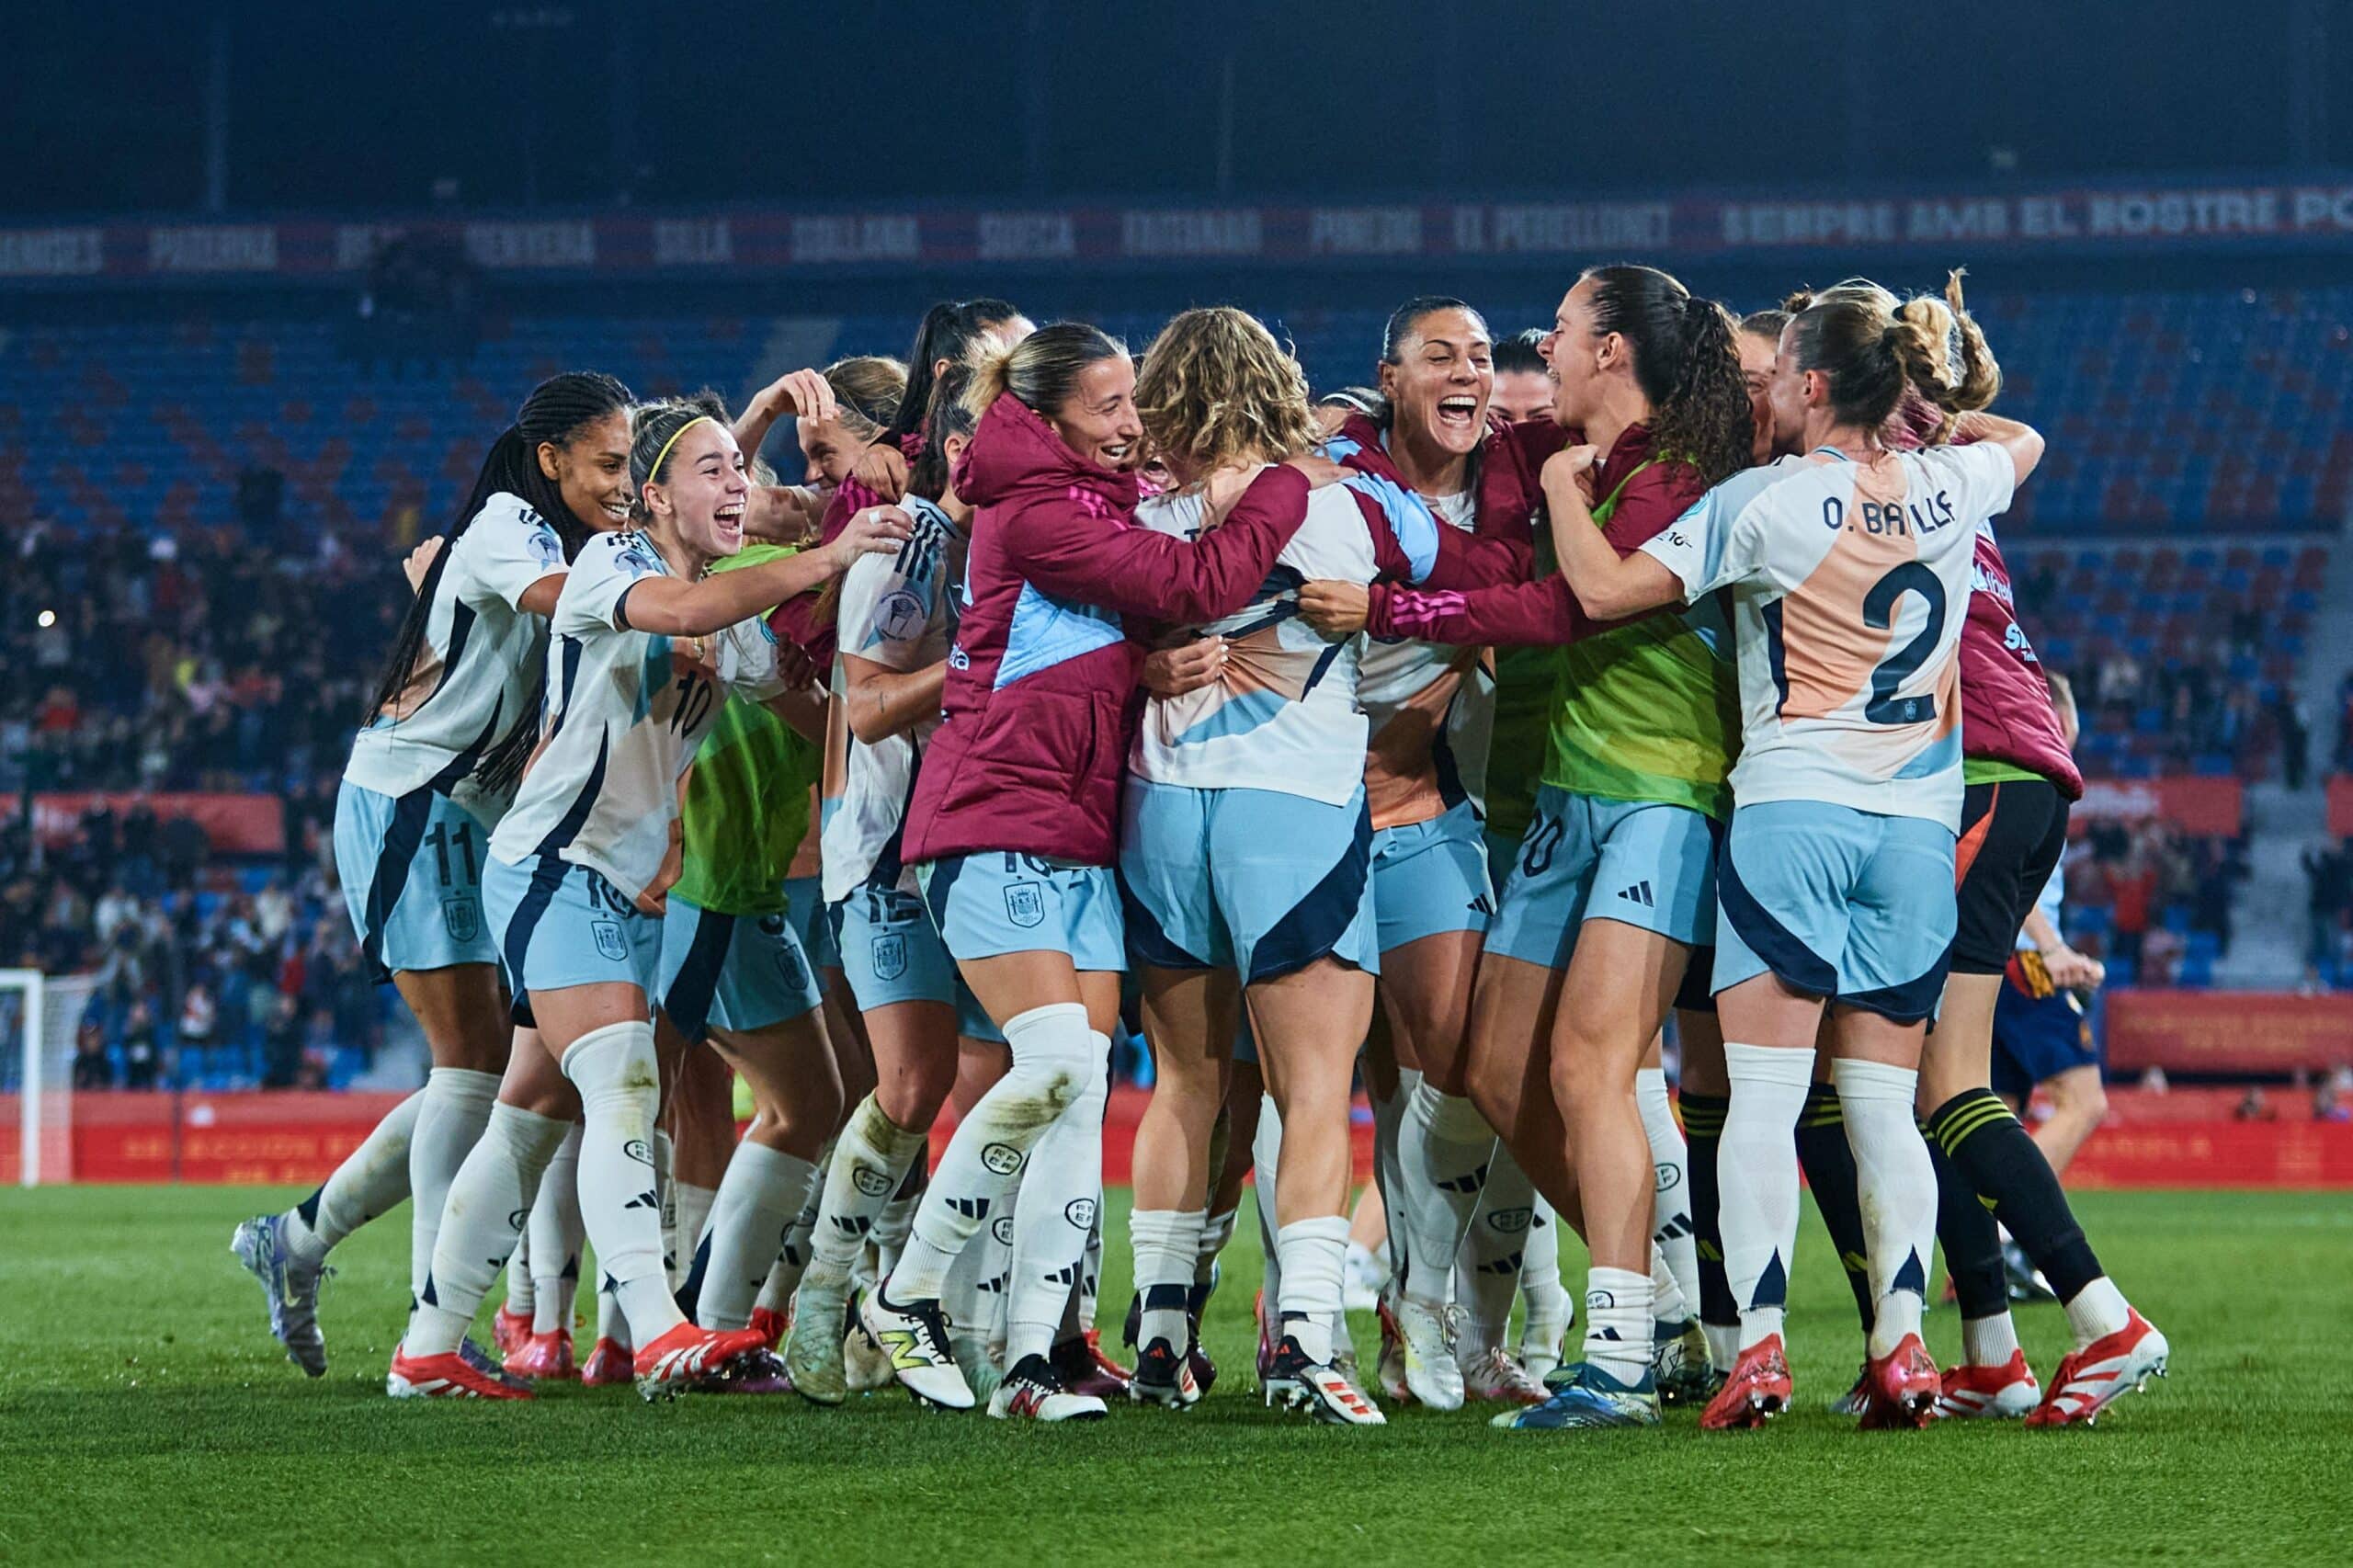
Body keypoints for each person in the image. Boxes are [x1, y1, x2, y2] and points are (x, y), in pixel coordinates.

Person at [1534, 276, 2057, 1431]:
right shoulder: (1949, 484)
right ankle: (1906, 1350)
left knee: (1763, 1104)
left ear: (1814, 384)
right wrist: (1927, 418)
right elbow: (2023, 438)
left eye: (1778, 374)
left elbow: (1605, 587)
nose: (1761, 387)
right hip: (1915, 836)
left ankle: (1759, 1348)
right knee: (1882, 1107)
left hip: (1793, 815)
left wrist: (1563, 489)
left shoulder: (1767, 502)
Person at [383, 397, 905, 1400]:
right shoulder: (612, 566)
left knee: (531, 1110)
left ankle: (429, 1344)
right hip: (553, 866)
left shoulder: (723, 603)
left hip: (617, 890)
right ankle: (661, 1326)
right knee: (625, 1081)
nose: (737, 486)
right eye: (711, 470)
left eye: (738, 471)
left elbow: (811, 708)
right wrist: (830, 555)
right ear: (655, 494)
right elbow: (679, 614)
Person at [859, 322, 1334, 1422]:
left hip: (1074, 829)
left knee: (1075, 1103)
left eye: (1135, 402)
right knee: (1061, 1059)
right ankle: (909, 1287)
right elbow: (1200, 575)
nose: (1134, 423)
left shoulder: (1083, 500)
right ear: (1052, 414)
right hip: (991, 815)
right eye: (1112, 405)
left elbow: (1072, 651)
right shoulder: (1037, 508)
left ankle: (1036, 1359)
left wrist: (1133, 665)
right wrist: (1278, 486)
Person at [1305, 267, 1753, 1426]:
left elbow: (1569, 605)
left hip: (1658, 794)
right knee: (1496, 1068)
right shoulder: (1570, 459)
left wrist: (1396, 611)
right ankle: (1651, 1295)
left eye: (1558, 329)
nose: (1536, 347)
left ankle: (1617, 1357)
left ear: (1609, 351)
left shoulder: (1671, 475)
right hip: (1562, 800)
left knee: (1590, 1069)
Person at [1118, 306, 1511, 1422]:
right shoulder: (1334, 506)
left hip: (1159, 813)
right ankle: (1305, 1340)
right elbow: (1474, 569)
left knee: (1187, 1082)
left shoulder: (1139, 514)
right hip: (1290, 808)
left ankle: (1159, 1339)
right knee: (1311, 1088)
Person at [232, 371, 634, 1380]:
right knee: (472, 1064)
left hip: (474, 808)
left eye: (635, 465)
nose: (624, 485)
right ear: (550, 459)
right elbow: (562, 604)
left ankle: (301, 1238)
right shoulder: (509, 521)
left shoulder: (548, 536)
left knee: (502, 1067)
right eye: (610, 464)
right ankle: (434, 1334)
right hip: (413, 800)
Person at [787, 363, 1020, 1404]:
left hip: (983, 842)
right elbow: (870, 706)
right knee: (913, 1087)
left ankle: (951, 1321)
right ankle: (823, 1298)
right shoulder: (909, 543)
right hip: (886, 853)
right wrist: (984, 659)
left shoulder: (1018, 538)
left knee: (995, 1089)